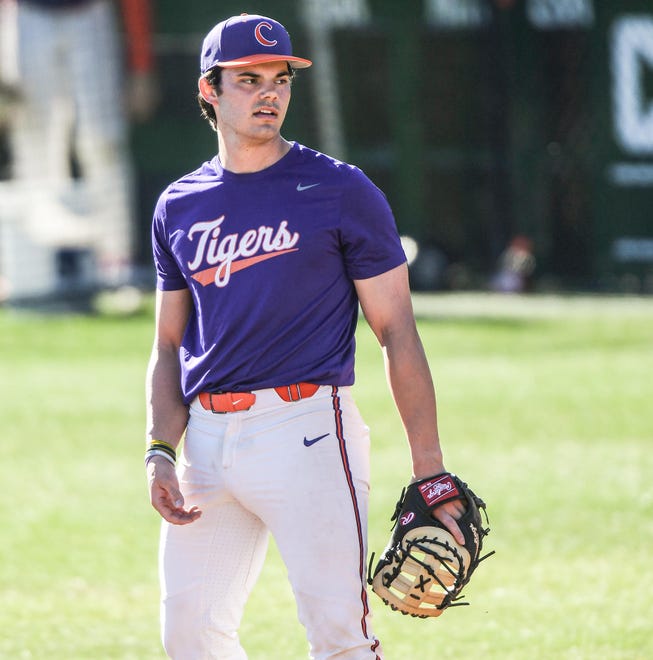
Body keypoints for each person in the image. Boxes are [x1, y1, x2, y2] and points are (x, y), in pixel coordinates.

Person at [145, 13, 465, 659]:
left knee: (339, 636)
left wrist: (429, 470)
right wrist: (158, 446)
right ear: (208, 89)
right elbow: (168, 346)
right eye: (247, 79)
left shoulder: (340, 190)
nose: (268, 92)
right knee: (189, 635)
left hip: (308, 432)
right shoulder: (179, 204)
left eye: (279, 78)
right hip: (205, 446)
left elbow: (396, 331)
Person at [0, 0, 156, 293]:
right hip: (24, 15)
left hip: (91, 13)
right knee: (34, 142)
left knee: (102, 142)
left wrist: (141, 67)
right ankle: (37, 269)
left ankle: (116, 265)